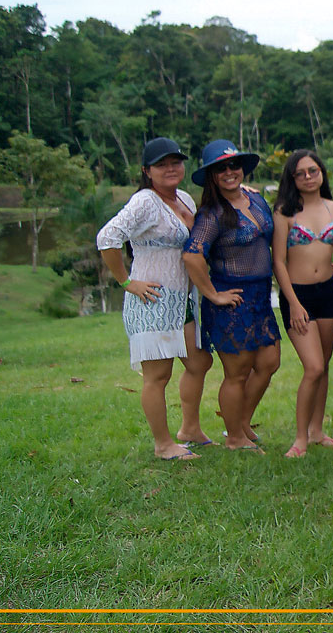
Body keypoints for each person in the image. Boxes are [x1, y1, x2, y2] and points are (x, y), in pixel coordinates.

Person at [96, 137, 211, 461]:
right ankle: (163, 445)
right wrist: (126, 282)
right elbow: (107, 237)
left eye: (175, 162)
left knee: (199, 362)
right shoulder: (145, 201)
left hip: (181, 300)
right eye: (161, 165)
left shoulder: (183, 198)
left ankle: (190, 429)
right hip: (152, 300)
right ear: (147, 171)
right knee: (157, 376)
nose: (170, 169)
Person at [182, 139, 281, 453]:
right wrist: (213, 295)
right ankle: (235, 437)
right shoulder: (212, 214)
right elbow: (192, 256)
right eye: (220, 168)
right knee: (237, 373)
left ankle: (241, 422)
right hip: (233, 299)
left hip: (261, 296)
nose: (229, 172)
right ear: (211, 175)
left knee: (269, 362)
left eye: (233, 165)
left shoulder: (256, 199)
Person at [272, 149, 333, 458]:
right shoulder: (284, 212)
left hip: (328, 293)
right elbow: (278, 262)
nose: (308, 177)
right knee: (314, 367)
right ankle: (300, 438)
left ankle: (317, 430)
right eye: (300, 173)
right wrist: (293, 303)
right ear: (292, 179)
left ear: (322, 173)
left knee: (324, 366)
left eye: (313, 171)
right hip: (298, 296)